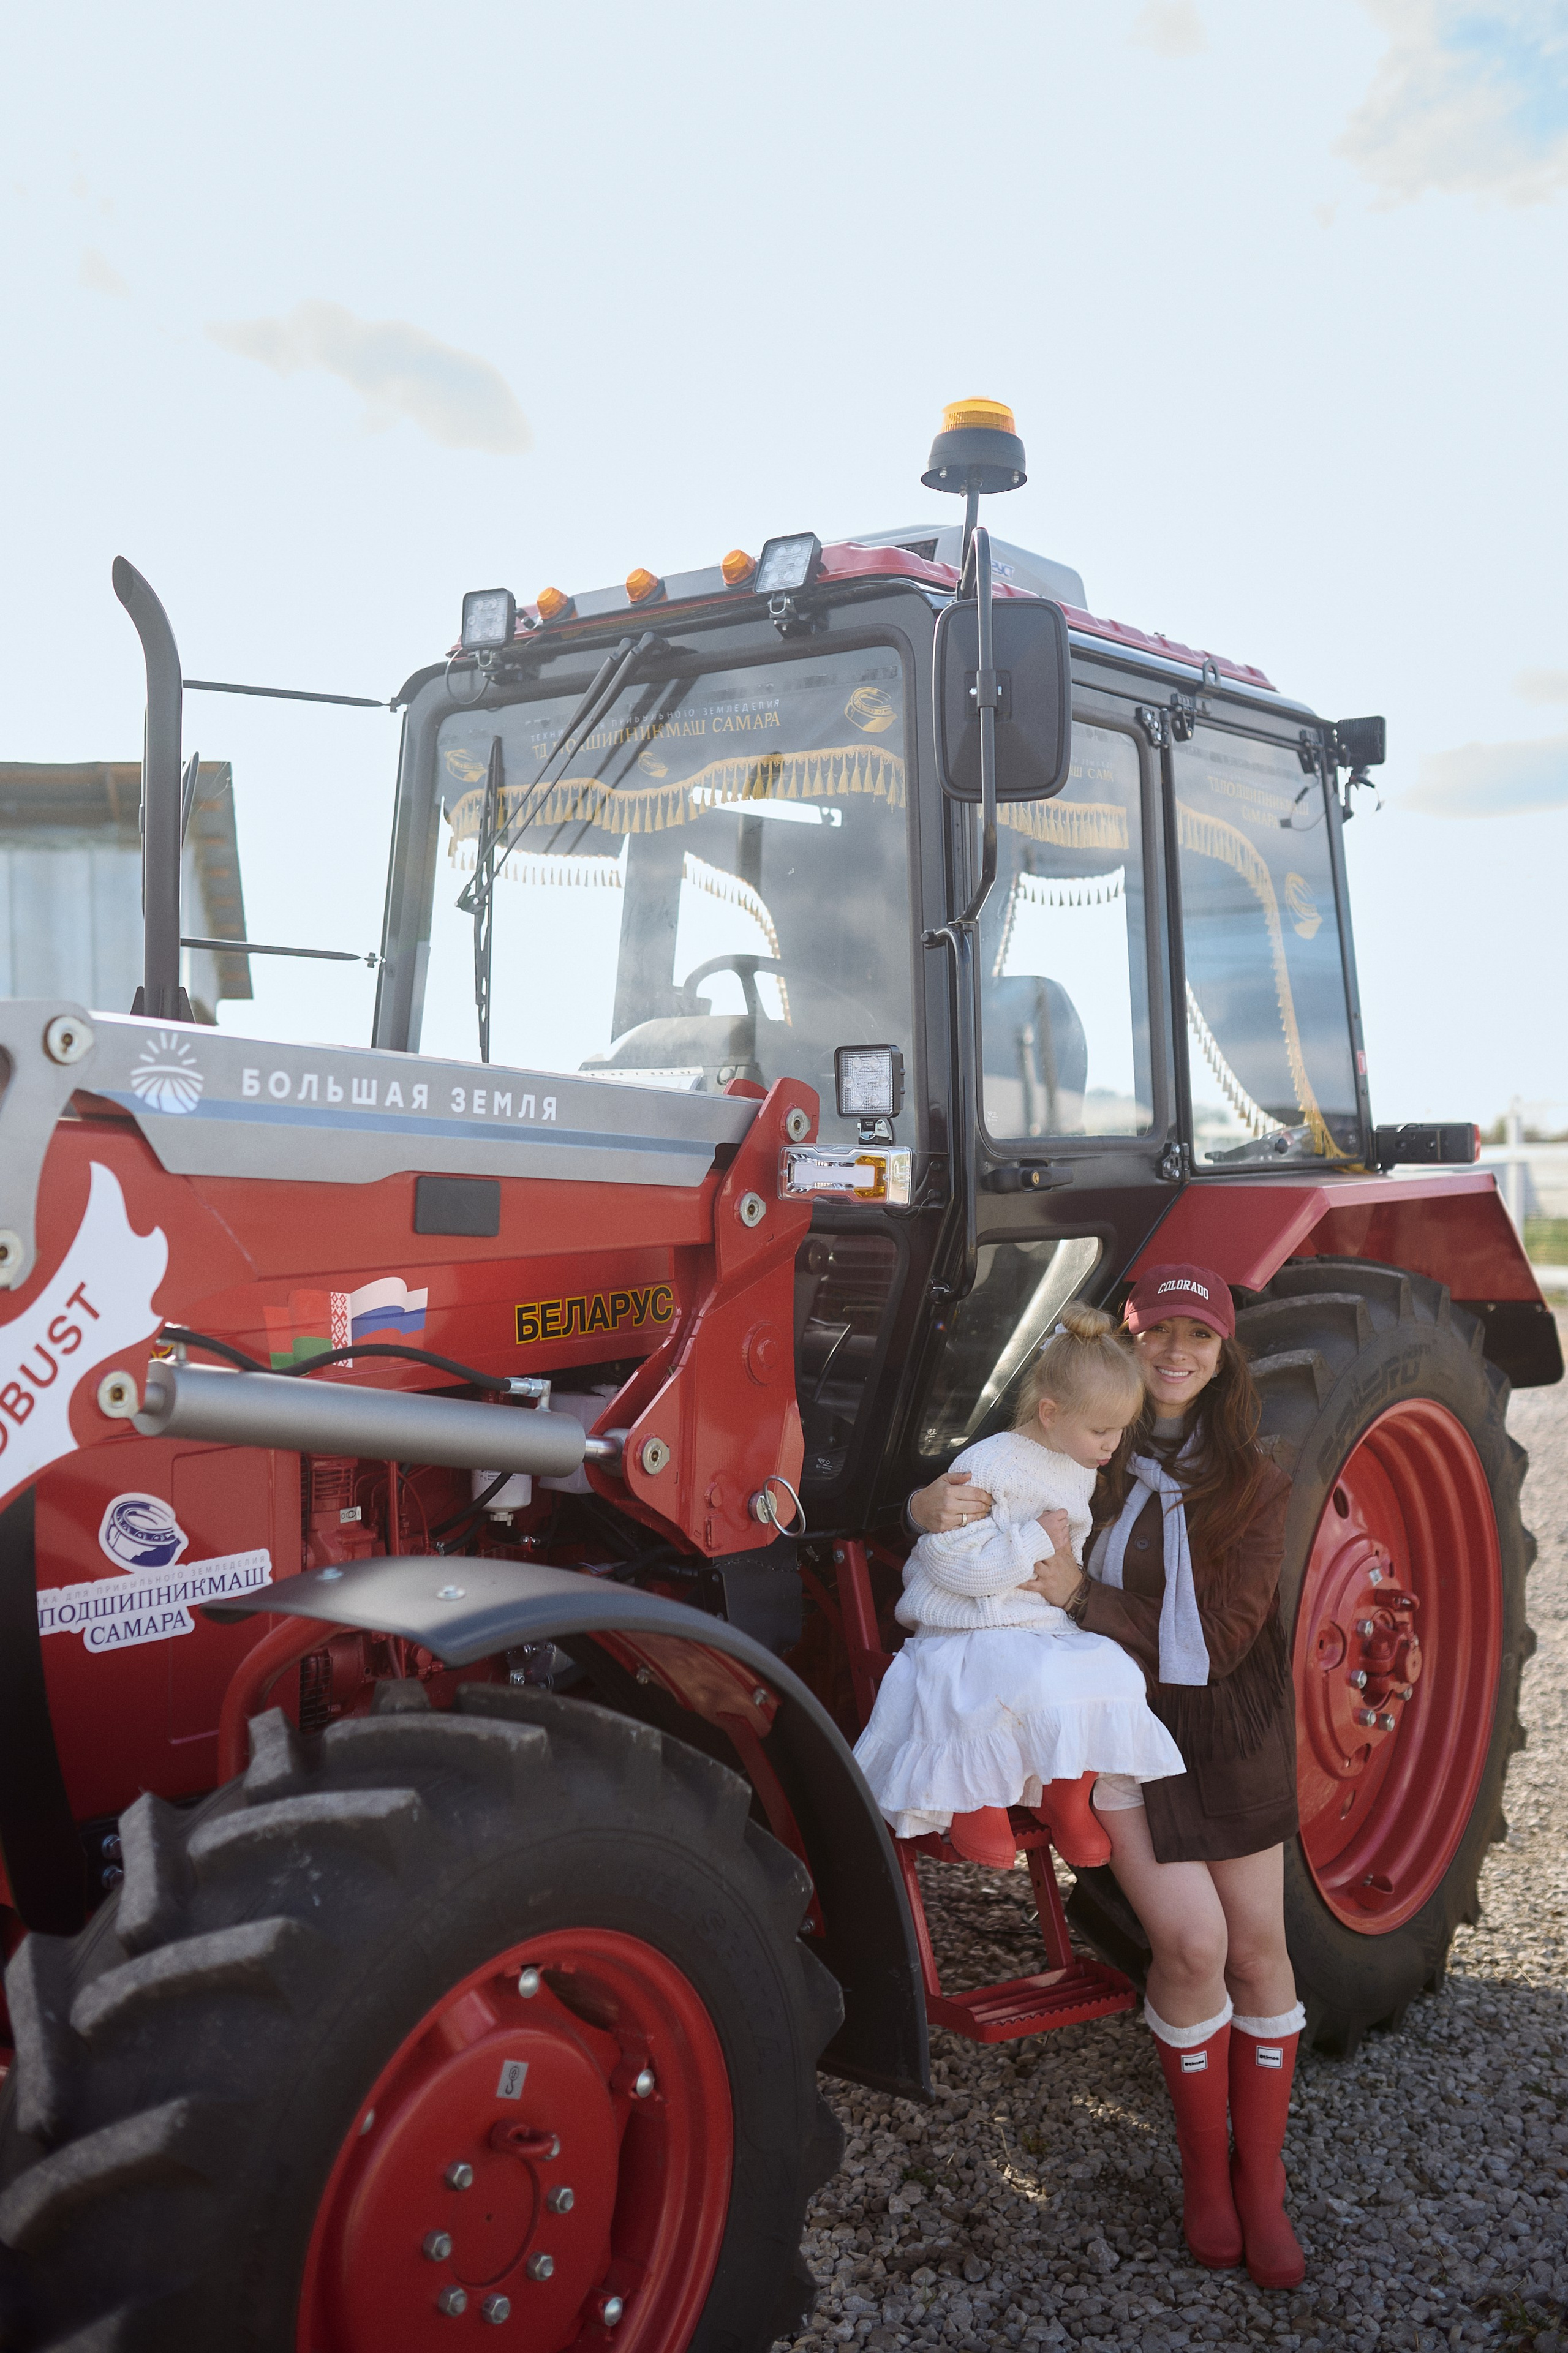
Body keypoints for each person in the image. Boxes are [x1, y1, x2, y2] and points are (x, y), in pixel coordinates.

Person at [907, 1263, 1306, 2293]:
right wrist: (925, 1497)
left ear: (1224, 1359)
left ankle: (1258, 2183)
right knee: (1191, 1941)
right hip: (1116, 1726)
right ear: (1126, 1348)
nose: (1177, 1352)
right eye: (1159, 1331)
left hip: (1222, 1722)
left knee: (1258, 1954)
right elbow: (974, 1483)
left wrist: (1085, 1592)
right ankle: (1202, 2182)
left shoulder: (1260, 1479)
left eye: (1200, 1338)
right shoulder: (1086, 1451)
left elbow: (1218, 1642)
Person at [854, 1307, 1184, 1872]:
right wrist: (1029, 1541)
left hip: (1033, 1622)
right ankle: (973, 1800)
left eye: (1121, 1429)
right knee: (1008, 1678)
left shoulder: (1077, 1463)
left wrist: (1058, 1588)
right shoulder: (989, 1465)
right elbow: (948, 1563)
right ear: (1050, 1413)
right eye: (1102, 1430)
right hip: (965, 1624)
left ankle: (1066, 1796)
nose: (1113, 1444)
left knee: (1112, 1669)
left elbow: (1066, 1557)